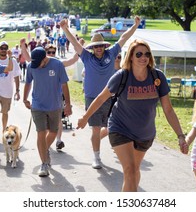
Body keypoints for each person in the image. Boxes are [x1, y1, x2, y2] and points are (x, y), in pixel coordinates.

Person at [77, 39, 188, 191]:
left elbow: (168, 109)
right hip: (120, 128)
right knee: (129, 170)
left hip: (145, 133)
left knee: (134, 171)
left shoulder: (157, 77)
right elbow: (101, 97)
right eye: (139, 54)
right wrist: (85, 118)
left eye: (147, 54)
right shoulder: (122, 76)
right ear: (130, 57)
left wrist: (180, 135)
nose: (144, 57)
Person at [60, 16, 141, 170]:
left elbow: (124, 37)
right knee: (96, 128)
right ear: (92, 48)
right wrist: (65, 29)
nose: (98, 49)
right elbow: (75, 43)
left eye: (100, 46)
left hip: (110, 97)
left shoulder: (111, 53)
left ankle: (117, 149)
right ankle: (96, 157)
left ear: (104, 46)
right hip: (92, 98)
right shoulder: (86, 57)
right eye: (96, 47)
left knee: (114, 127)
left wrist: (135, 25)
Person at [23, 47, 72, 177]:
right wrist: (24, 98)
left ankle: (44, 150)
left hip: (55, 105)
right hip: (38, 105)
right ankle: (44, 163)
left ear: (45, 59)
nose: (37, 66)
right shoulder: (31, 66)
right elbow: (28, 82)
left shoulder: (57, 65)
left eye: (39, 63)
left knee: (53, 132)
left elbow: (64, 85)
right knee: (41, 133)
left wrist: (68, 104)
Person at [0, 41, 21, 144]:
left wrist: (17, 90)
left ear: (8, 50)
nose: (3, 50)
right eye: (1, 48)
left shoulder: (13, 61)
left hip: (7, 91)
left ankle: (4, 132)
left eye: (5, 48)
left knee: (5, 113)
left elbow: (16, 76)